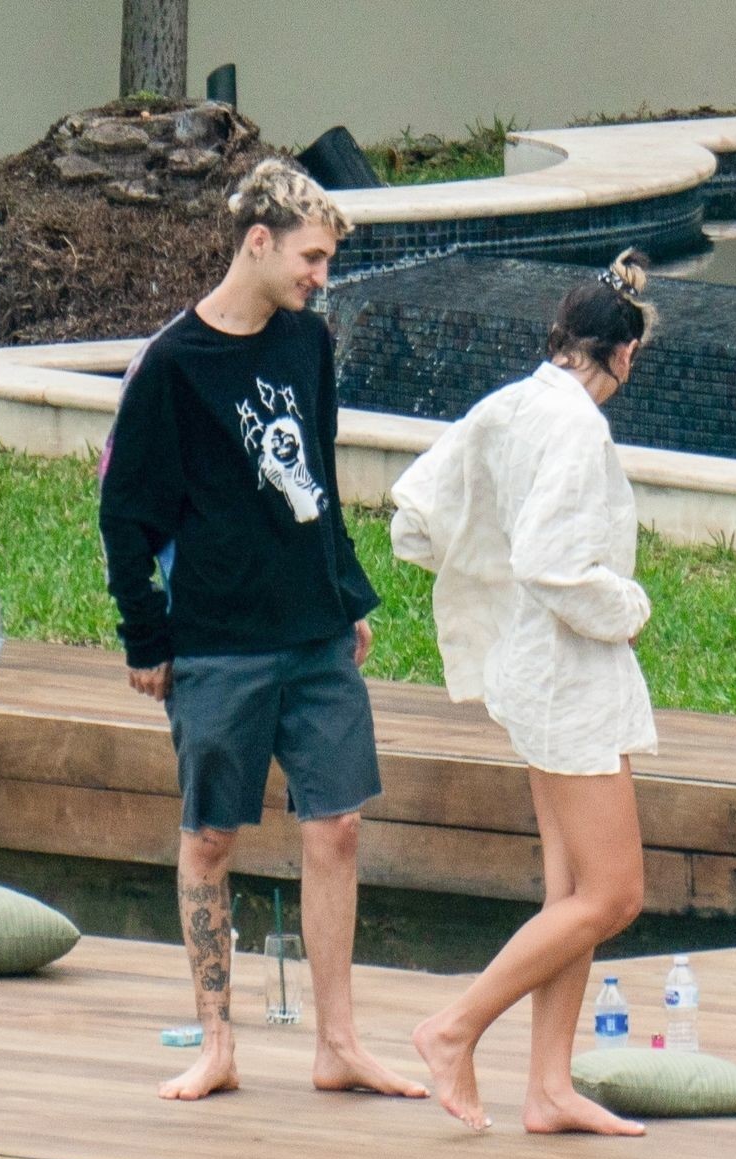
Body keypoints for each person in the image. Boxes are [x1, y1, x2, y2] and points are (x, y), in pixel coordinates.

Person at [98, 157, 427, 1104]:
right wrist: (146, 640)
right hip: (217, 643)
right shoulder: (172, 366)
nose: (321, 277)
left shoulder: (307, 343)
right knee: (209, 838)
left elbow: (317, 477)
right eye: (311, 258)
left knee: (339, 826)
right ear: (258, 242)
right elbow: (125, 515)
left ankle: (338, 1044)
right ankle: (217, 1044)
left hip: (315, 633)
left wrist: (346, 595)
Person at [391, 250, 660, 1135]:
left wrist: (487, 579)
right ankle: (453, 1027)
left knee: (570, 894)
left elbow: (415, 518)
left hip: (529, 669)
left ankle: (548, 1088)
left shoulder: (510, 404)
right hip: (567, 676)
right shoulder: (577, 425)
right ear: (623, 353)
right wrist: (627, 606)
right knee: (613, 895)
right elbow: (552, 563)